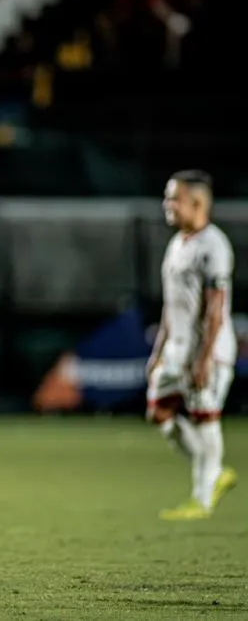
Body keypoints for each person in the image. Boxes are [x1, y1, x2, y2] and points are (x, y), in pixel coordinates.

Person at [146, 170, 238, 520]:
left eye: (174, 198)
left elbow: (215, 308)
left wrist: (204, 358)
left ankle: (201, 498)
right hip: (176, 350)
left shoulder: (213, 246)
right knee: (159, 412)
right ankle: (214, 471)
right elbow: (172, 306)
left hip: (208, 352)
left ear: (197, 203)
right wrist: (158, 352)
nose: (166, 205)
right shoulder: (177, 244)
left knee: (204, 419)